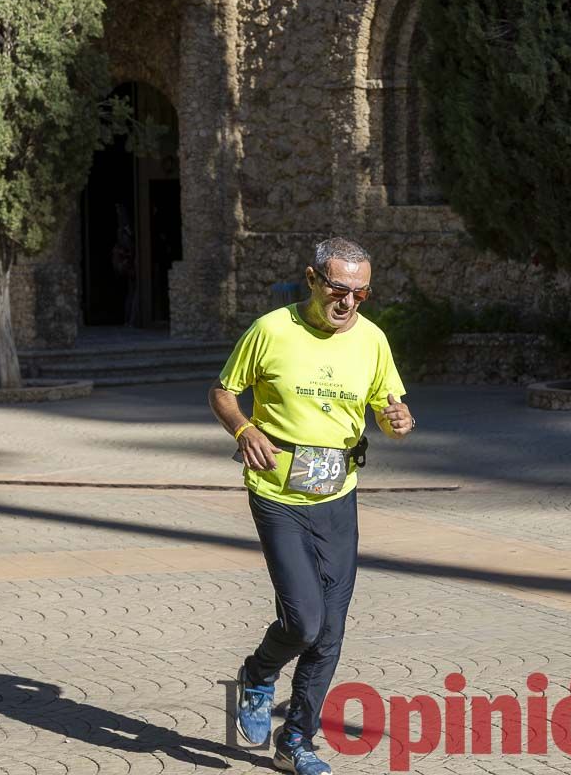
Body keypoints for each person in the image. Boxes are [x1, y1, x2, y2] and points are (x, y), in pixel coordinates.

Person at [208, 237, 415, 775]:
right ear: (312, 279)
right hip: (277, 493)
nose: (349, 302)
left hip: (338, 496)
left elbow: (388, 406)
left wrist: (398, 421)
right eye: (339, 289)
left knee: (330, 632)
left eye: (361, 293)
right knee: (303, 622)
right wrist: (244, 429)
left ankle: (296, 742)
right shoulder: (271, 330)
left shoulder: (372, 340)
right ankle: (259, 673)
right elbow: (223, 392)